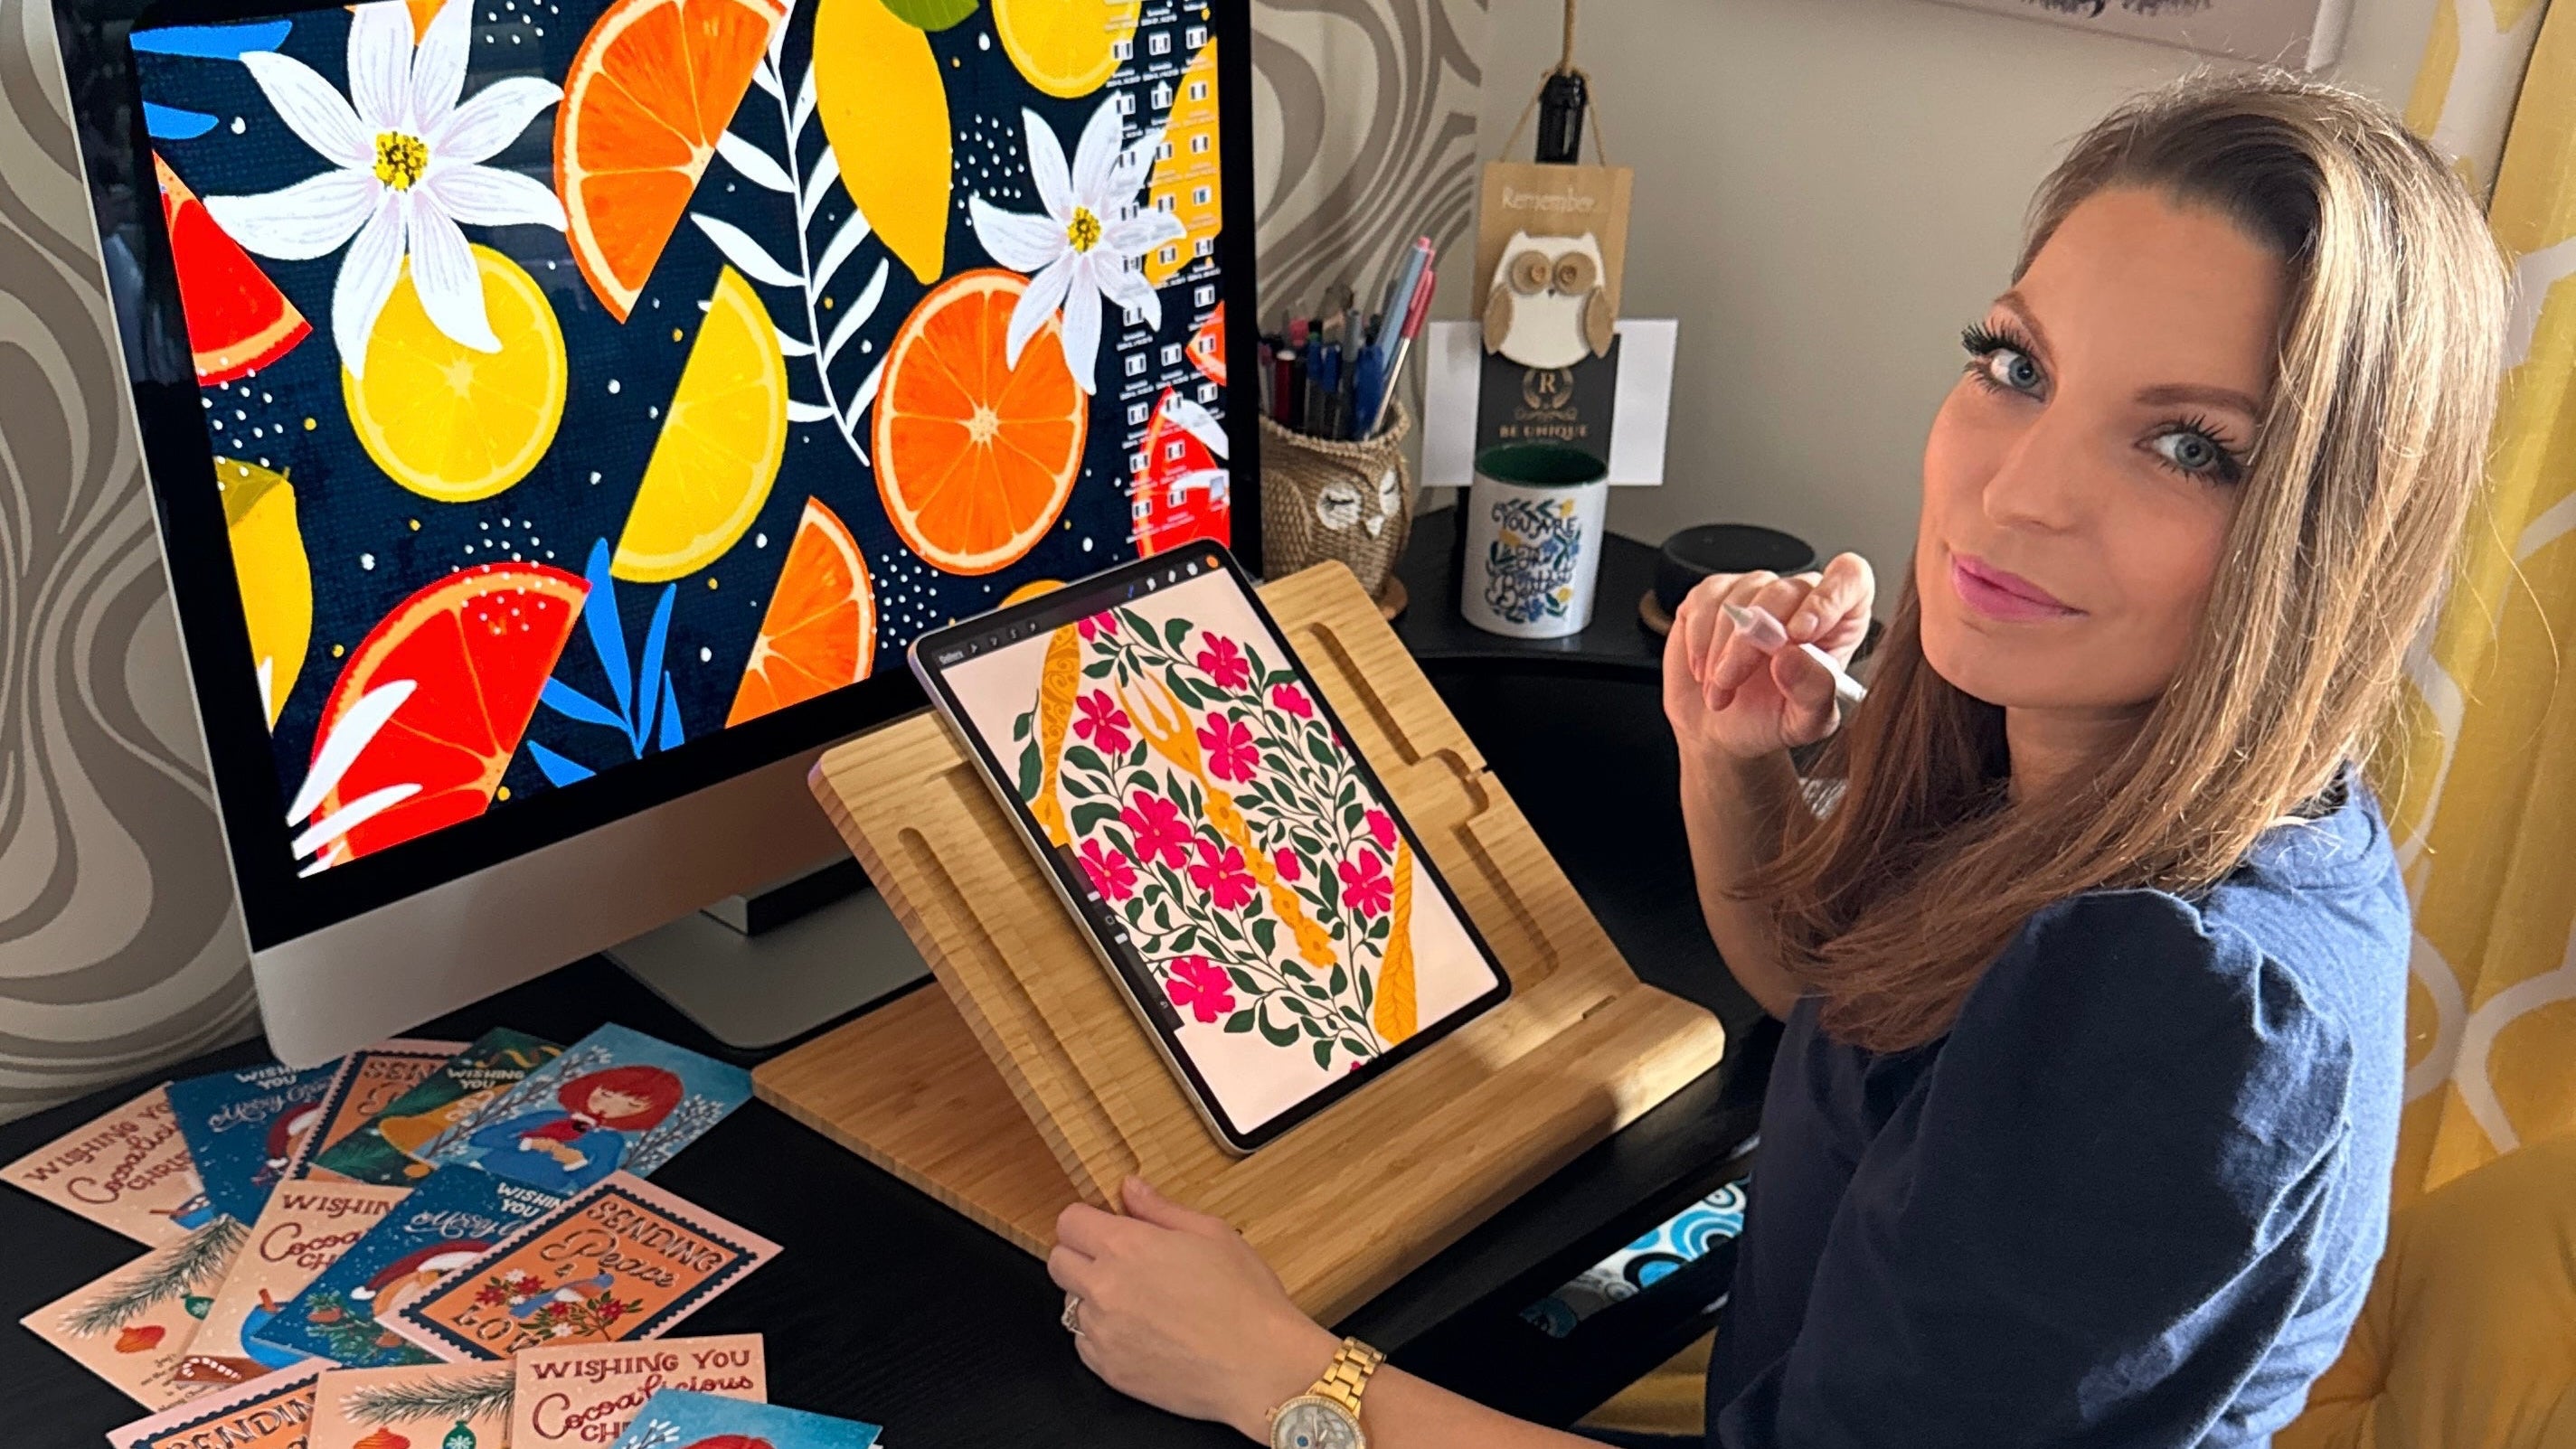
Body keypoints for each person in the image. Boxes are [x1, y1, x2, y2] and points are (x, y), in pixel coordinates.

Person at [1040, 68, 2507, 1446]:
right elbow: (1843, 1016)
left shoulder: (2170, 999)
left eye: (2189, 447)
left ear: (2334, 532)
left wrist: (1285, 1378)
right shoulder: (2156, 776)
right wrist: (1728, 760)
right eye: (2016, 365)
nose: (2017, 491)